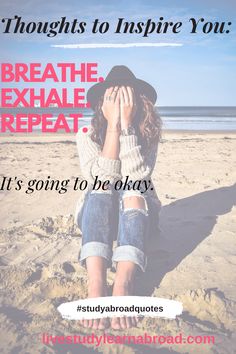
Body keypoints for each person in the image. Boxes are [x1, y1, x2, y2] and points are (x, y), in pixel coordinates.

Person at [75, 65, 162, 330]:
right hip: (97, 215)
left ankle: (123, 283)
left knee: (133, 192)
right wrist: (112, 126)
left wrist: (126, 128)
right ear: (103, 103)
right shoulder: (85, 134)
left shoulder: (147, 133)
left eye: (126, 97)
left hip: (138, 214)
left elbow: (136, 179)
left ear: (137, 102)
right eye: (114, 97)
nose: (120, 103)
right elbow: (103, 180)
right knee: (101, 187)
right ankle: (96, 284)